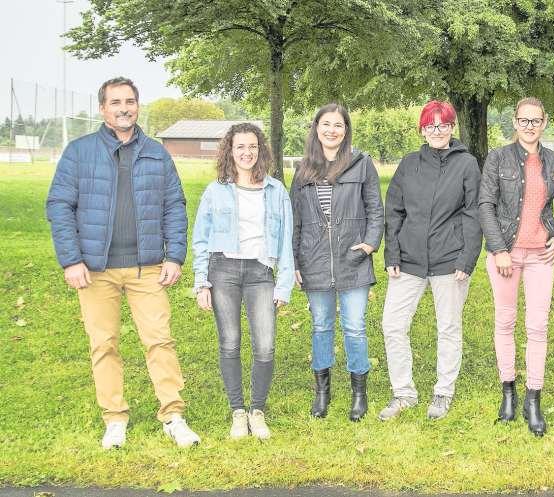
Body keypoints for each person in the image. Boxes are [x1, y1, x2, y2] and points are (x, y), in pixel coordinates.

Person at [46, 77, 200, 448]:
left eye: (129, 101)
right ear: (103, 108)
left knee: (159, 341)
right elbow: (59, 206)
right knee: (104, 344)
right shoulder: (79, 151)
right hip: (95, 270)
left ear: (137, 106)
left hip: (147, 268)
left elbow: (174, 205)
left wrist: (174, 255)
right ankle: (115, 418)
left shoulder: (156, 153)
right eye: (115, 102)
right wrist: (71, 260)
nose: (123, 108)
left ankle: (173, 415)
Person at [379, 100, 482, 421]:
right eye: (431, 126)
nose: (437, 131)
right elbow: (394, 211)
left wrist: (466, 259)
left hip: (449, 261)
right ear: (422, 130)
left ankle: (443, 392)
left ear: (452, 128)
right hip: (408, 260)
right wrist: (392, 253)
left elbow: (474, 214)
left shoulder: (467, 164)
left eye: (443, 125)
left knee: (448, 327)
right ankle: (403, 393)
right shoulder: (409, 164)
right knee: (392, 325)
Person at [192, 123, 294, 440]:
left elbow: (287, 240)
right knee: (230, 342)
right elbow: (201, 238)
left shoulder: (276, 191)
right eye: (240, 147)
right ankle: (238, 411)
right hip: (222, 270)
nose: (247, 152)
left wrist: (284, 284)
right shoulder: (216, 190)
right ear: (230, 151)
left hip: (260, 273)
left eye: (252, 146)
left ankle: (257, 411)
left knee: (265, 345)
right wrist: (201, 282)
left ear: (260, 150)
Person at [478, 97, 554, 436]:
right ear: (515, 123)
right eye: (523, 120)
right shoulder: (498, 158)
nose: (529, 126)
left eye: (535, 121)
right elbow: (485, 205)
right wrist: (499, 249)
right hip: (505, 255)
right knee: (505, 322)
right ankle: (508, 392)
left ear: (544, 123)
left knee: (537, 326)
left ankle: (534, 398)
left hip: (540, 257)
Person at [290, 103, 384, 421]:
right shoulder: (303, 169)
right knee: (321, 326)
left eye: (338, 125)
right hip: (314, 261)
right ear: (316, 128)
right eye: (326, 124)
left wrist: (370, 244)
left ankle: (359, 394)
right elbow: (295, 219)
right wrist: (295, 262)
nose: (332, 130)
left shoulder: (361, 163)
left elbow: (375, 209)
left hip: (353, 259)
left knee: (355, 327)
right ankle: (322, 392)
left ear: (346, 130)